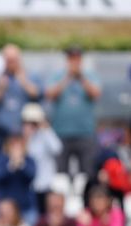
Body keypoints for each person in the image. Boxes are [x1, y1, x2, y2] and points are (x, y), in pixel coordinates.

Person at [45, 45, 102, 176]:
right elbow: (49, 94)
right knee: (60, 174)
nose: (74, 62)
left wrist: (81, 77)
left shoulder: (89, 76)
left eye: (77, 58)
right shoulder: (58, 76)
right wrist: (67, 77)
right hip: (61, 132)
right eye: (71, 58)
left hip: (85, 133)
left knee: (88, 173)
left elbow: (96, 93)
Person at [0, 44, 41, 146]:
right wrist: (0, 87)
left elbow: (37, 94)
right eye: (9, 60)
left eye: (14, 60)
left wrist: (23, 81)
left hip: (25, 131)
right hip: (1, 131)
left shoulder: (30, 75)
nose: (11, 63)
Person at [21, 103, 62, 214]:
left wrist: (45, 128)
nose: (32, 125)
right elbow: (22, 156)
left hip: (45, 186)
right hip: (28, 187)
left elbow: (57, 148)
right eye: (28, 122)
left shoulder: (45, 135)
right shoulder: (23, 138)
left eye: (34, 122)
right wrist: (26, 137)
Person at [0, 134, 38, 226]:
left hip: (25, 206)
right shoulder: (1, 159)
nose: (16, 148)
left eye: (19, 145)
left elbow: (31, 176)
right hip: (4, 205)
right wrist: (11, 165)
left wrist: (21, 164)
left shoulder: (29, 160)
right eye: (13, 145)